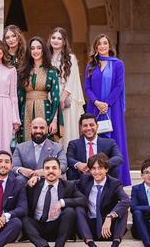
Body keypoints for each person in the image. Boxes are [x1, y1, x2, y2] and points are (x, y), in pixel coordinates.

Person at [84, 33, 130, 185]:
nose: (102, 46)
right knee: (94, 138)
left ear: (110, 46)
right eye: (99, 44)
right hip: (95, 107)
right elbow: (87, 87)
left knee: (114, 139)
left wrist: (107, 104)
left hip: (112, 108)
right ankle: (95, 174)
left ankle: (116, 178)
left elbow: (119, 86)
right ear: (96, 47)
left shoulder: (118, 64)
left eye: (105, 43)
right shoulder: (91, 65)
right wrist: (97, 102)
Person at [23, 156, 85, 247]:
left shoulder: (68, 186)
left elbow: (83, 200)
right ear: (43, 171)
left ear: (60, 171)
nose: (51, 171)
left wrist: (62, 202)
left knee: (69, 212)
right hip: (38, 227)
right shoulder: (34, 184)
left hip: (58, 228)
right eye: (47, 168)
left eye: (54, 168)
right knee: (23, 219)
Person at [74, 153, 130, 247]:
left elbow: (126, 200)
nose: (96, 172)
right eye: (93, 168)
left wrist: (110, 216)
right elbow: (67, 185)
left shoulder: (114, 183)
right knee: (78, 209)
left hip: (108, 229)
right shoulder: (85, 180)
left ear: (106, 169)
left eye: (100, 168)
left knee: (123, 211)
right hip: (90, 228)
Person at [18, 36, 62, 145]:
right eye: (32, 48)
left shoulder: (51, 72)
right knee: (26, 142)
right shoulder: (23, 71)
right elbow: (19, 96)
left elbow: (56, 98)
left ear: (43, 50)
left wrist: (54, 120)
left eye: (38, 48)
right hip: (26, 110)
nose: (35, 51)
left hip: (45, 109)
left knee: (45, 141)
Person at [49, 27, 84, 148]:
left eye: (59, 38)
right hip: (50, 99)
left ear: (64, 41)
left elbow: (71, 81)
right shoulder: (46, 58)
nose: (56, 40)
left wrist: (61, 99)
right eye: (53, 38)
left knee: (67, 132)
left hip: (66, 100)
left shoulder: (71, 58)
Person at [66, 113, 123, 181]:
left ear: (97, 126)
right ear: (81, 128)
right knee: (71, 171)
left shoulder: (110, 142)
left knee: (115, 169)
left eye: (91, 125)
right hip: (83, 177)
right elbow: (68, 158)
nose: (89, 128)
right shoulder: (73, 144)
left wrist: (101, 166)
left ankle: (111, 191)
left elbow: (118, 158)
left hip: (103, 177)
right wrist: (78, 165)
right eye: (85, 126)